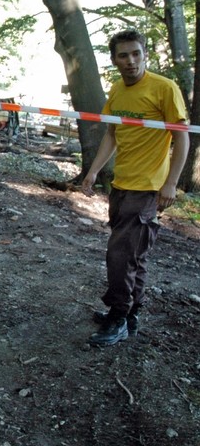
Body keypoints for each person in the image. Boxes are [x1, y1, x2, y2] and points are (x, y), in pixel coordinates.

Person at [81, 29, 188, 347]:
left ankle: (118, 318)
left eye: (136, 53)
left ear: (145, 54)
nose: (131, 61)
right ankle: (130, 314)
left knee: (119, 256)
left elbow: (181, 136)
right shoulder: (117, 90)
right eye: (123, 55)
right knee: (133, 256)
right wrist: (93, 172)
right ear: (114, 60)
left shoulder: (164, 88)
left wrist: (171, 183)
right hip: (121, 185)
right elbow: (112, 135)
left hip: (147, 189)